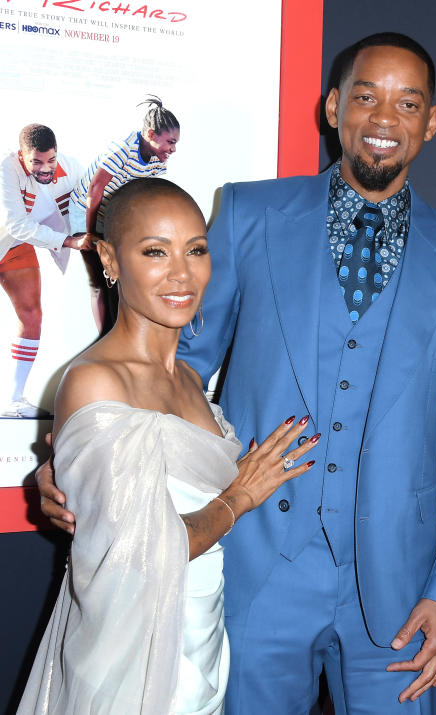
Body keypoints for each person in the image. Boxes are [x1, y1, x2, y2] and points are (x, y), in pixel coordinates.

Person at [41, 32, 436, 714]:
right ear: (333, 106)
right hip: (253, 564)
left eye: (407, 104)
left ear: (429, 122)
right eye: (366, 96)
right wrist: (75, 457)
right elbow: (174, 363)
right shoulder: (250, 215)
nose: (383, 119)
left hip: (402, 587)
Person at [18, 178, 317, 714]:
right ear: (109, 258)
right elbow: (138, 553)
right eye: (155, 251)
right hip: (129, 656)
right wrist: (238, 497)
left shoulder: (190, 383)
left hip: (201, 640)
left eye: (196, 250)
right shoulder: (96, 382)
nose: (182, 274)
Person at [0, 123, 93, 417]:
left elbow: (97, 196)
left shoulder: (70, 168)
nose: (45, 168)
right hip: (15, 235)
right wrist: (68, 241)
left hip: (15, 247)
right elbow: (16, 224)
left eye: (50, 160)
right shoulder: (6, 169)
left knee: (31, 316)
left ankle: (15, 399)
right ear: (21, 156)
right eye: (36, 161)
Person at [69, 95, 180, 333]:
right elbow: (95, 190)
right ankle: (103, 338)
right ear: (151, 134)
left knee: (120, 275)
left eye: (176, 143)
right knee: (100, 279)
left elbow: (138, 197)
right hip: (86, 210)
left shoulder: (158, 162)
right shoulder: (122, 149)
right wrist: (90, 234)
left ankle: (119, 331)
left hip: (111, 213)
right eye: (170, 141)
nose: (172, 149)